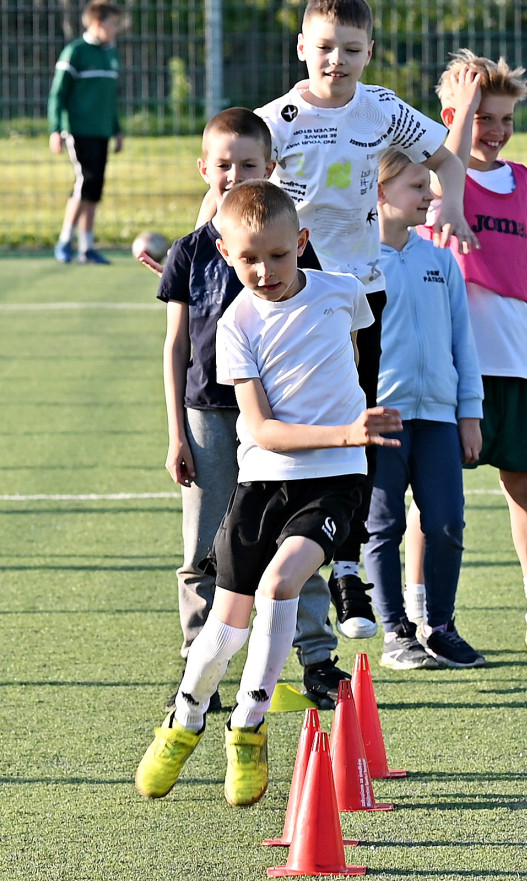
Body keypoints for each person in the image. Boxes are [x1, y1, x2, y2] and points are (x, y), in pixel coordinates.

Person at [198, 0, 477, 642]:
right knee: (311, 425)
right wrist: (195, 249)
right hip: (296, 301)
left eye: (351, 49)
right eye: (325, 47)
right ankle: (314, 554)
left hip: (362, 294)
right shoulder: (279, 120)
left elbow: (446, 160)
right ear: (302, 47)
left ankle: (348, 564)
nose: (337, 60)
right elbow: (230, 195)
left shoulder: (380, 109)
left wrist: (454, 206)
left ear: (369, 53)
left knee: (362, 426)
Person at [136, 179, 402, 806]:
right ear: (226, 254)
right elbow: (258, 430)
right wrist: (345, 428)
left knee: (281, 584)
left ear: (302, 243)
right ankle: (185, 718)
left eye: (279, 256)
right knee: (223, 629)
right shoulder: (236, 325)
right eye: (249, 259)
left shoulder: (344, 293)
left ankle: (247, 730)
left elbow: (356, 358)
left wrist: (351, 439)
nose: (264, 270)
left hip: (334, 483)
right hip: (262, 485)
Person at [155, 107, 350, 713]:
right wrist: (176, 436)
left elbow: (317, 325)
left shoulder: (286, 244)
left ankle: (317, 661)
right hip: (210, 416)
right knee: (205, 547)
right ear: (203, 169)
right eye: (223, 165)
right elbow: (176, 345)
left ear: (272, 168)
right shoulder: (191, 251)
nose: (235, 175)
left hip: (280, 421)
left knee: (294, 544)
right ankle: (201, 667)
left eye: (249, 165)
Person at [426, 50, 527, 655]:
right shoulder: (438, 173)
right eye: (484, 117)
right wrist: (459, 116)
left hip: (513, 354)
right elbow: (450, 169)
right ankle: (422, 618)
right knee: (433, 501)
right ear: (456, 116)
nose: (496, 130)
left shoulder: (521, 180)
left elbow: (522, 266)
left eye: (505, 119)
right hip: (455, 363)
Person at [363, 149, 485, 670]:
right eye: (417, 186)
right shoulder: (356, 263)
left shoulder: (439, 260)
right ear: (380, 193)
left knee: (446, 522)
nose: (432, 195)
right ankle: (395, 634)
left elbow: (463, 341)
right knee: (383, 526)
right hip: (382, 417)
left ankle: (440, 627)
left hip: (437, 415)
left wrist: (470, 412)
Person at [48, 0, 123, 265]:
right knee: (84, 183)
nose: (117, 29)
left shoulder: (110, 53)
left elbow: (109, 99)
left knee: (94, 188)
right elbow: (58, 94)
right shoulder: (75, 52)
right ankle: (65, 241)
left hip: (102, 131)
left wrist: (116, 129)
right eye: (114, 24)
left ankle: (86, 247)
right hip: (78, 131)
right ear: (97, 23)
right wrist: (55, 129)